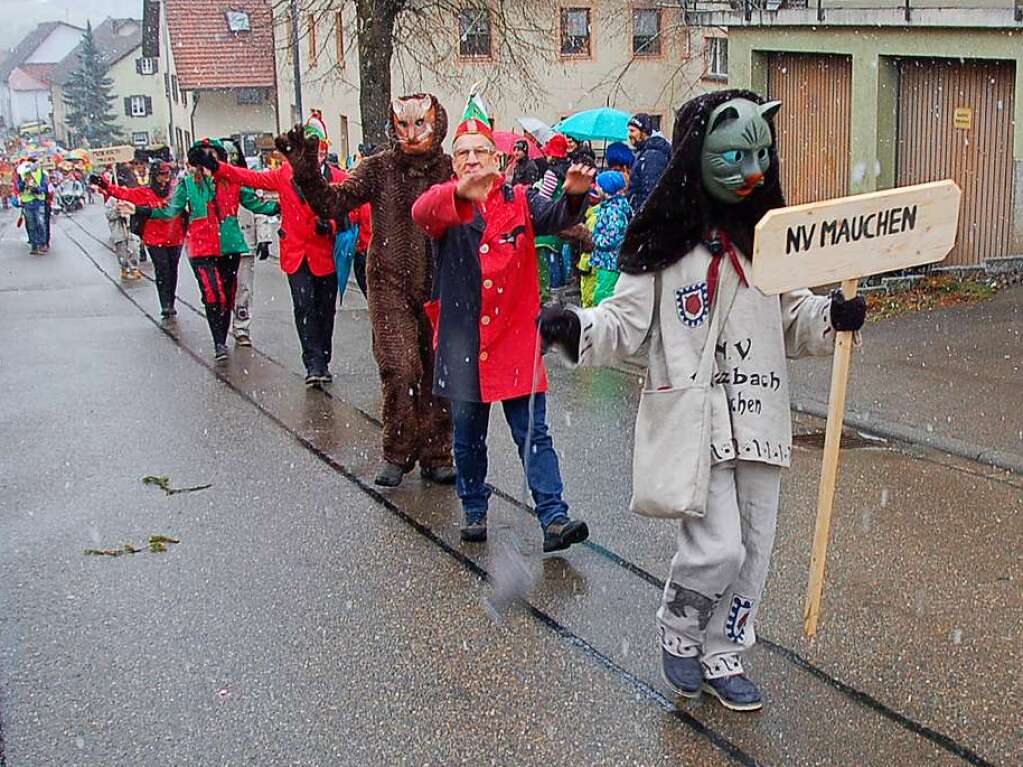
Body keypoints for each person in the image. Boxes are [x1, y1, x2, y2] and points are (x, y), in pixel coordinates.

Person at [540, 91, 867, 711]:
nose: (752, 174)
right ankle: (680, 625)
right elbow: (624, 323)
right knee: (718, 547)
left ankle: (725, 650)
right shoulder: (663, 245)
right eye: (736, 157)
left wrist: (834, 317)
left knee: (756, 551)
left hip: (761, 417)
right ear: (698, 154)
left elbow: (795, 315)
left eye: (760, 158)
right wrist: (574, 327)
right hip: (695, 419)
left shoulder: (769, 241)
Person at [411, 97, 594, 552]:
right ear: (453, 164)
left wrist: (573, 193)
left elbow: (557, 218)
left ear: (497, 159)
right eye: (463, 153)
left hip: (514, 336)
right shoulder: (446, 204)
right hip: (462, 340)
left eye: (480, 151)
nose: (472, 159)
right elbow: (422, 212)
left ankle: (554, 517)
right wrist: (458, 194)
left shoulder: (521, 199)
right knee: (468, 437)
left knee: (534, 434)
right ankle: (474, 506)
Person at [275, 94, 456, 487]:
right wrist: (307, 172)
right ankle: (397, 450)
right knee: (400, 366)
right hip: (388, 280)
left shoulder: (450, 168)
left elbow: (493, 208)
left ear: (436, 123)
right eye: (402, 125)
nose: (411, 134)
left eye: (419, 124)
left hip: (439, 282)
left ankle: (437, 451)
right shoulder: (379, 168)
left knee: (438, 369)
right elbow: (331, 201)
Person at [191, 114, 354, 383]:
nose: (317, 153)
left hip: (324, 255)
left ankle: (323, 357)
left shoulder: (338, 177)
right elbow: (247, 177)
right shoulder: (284, 175)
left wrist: (335, 225)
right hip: (296, 254)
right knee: (303, 307)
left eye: (320, 147)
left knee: (325, 309)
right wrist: (215, 166)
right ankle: (312, 363)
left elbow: (353, 211)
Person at [143, 138, 279, 362]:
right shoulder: (188, 184)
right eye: (203, 155)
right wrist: (143, 211)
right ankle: (219, 342)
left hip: (230, 245)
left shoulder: (232, 181)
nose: (208, 159)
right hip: (201, 248)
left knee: (227, 296)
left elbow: (255, 204)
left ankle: (222, 337)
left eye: (212, 154)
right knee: (212, 294)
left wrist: (281, 207)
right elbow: (170, 210)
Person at [91, 161, 185, 311]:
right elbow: (124, 194)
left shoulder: (176, 191)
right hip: (155, 239)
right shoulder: (145, 193)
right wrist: (105, 185)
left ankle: (171, 301)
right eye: (162, 175)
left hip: (175, 237)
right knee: (162, 270)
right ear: (155, 176)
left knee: (173, 271)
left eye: (168, 174)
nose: (166, 178)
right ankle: (165, 305)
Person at [589, 171, 632, 305]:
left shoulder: (614, 211)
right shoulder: (611, 206)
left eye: (598, 186)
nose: (596, 188)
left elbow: (612, 238)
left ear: (606, 190)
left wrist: (594, 239)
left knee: (604, 294)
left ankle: (603, 320)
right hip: (607, 260)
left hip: (609, 261)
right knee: (604, 289)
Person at [627, 113, 671, 212]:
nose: (630, 135)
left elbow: (651, 191)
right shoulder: (646, 152)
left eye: (633, 131)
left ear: (644, 132)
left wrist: (640, 212)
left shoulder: (653, 156)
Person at [15, 156, 49, 255]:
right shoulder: (21, 174)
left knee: (40, 223)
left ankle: (42, 243)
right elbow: (19, 188)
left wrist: (37, 189)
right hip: (27, 203)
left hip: (38, 202)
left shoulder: (41, 173)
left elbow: (45, 187)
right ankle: (34, 245)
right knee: (31, 225)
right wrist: (23, 183)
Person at [105, 195, 141, 279]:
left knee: (134, 249)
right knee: (121, 251)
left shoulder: (130, 196)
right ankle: (124, 268)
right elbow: (108, 215)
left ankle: (134, 268)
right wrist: (117, 209)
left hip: (131, 230)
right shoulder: (111, 200)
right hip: (119, 231)